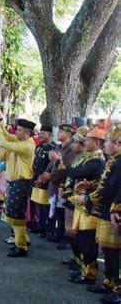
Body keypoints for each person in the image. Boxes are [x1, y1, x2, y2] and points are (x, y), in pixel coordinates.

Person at [82, 123, 121, 302]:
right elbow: (105, 184)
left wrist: (89, 198)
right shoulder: (114, 159)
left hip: (114, 210)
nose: (104, 145)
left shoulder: (119, 161)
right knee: (107, 249)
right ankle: (109, 282)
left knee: (114, 252)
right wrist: (90, 187)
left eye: (108, 142)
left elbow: (114, 187)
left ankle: (117, 288)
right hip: (107, 209)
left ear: (118, 143)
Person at [65, 126, 106, 285]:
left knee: (87, 241)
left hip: (91, 207)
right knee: (82, 239)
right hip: (83, 205)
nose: (84, 143)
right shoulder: (88, 156)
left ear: (96, 142)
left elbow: (75, 172)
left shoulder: (96, 160)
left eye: (87, 140)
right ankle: (86, 270)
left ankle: (90, 273)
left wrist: (64, 165)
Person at [0, 105, 35, 257]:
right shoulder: (22, 141)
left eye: (18, 130)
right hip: (16, 183)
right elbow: (7, 135)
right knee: (13, 214)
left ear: (27, 133)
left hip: (21, 184)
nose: (16, 132)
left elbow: (4, 142)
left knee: (16, 216)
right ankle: (22, 239)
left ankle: (21, 246)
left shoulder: (26, 145)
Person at [30, 125, 56, 237]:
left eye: (43, 133)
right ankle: (40, 224)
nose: (40, 135)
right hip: (36, 177)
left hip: (45, 180)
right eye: (40, 133)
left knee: (45, 204)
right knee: (37, 202)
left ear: (50, 135)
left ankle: (47, 227)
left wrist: (43, 177)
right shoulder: (39, 146)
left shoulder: (52, 147)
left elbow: (51, 165)